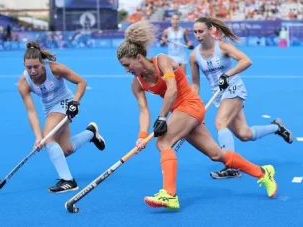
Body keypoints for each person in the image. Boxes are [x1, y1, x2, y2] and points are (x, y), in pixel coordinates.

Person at [116, 20, 278, 211]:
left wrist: (161, 118)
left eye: (127, 65)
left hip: (190, 105)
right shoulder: (137, 83)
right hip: (181, 113)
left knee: (163, 143)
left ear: (138, 57)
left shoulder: (162, 61)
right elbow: (143, 110)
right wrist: (141, 136)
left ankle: (169, 195)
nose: (126, 70)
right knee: (216, 154)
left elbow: (172, 90)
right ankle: (263, 173)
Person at [190, 17, 294, 179]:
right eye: (195, 32)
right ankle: (277, 127)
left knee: (220, 123)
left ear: (210, 30)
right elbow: (195, 84)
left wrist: (227, 74)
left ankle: (231, 166)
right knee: (244, 134)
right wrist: (192, 105)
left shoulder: (223, 47)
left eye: (201, 31)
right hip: (218, 95)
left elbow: (246, 61)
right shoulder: (194, 56)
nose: (197, 35)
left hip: (234, 87)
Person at [17, 41, 106, 193]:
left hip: (66, 102)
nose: (32, 71)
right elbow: (31, 112)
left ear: (42, 63)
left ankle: (68, 181)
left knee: (49, 139)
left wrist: (75, 103)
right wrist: (38, 137)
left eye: (36, 67)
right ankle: (91, 133)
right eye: (28, 67)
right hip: (49, 110)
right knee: (65, 150)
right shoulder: (23, 83)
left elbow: (81, 82)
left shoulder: (55, 69)